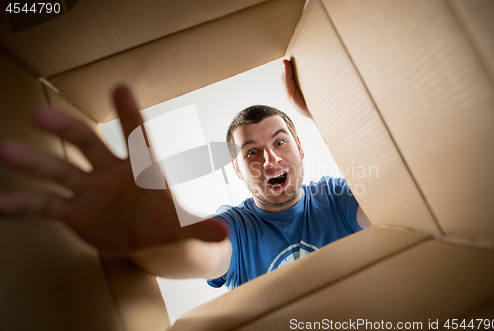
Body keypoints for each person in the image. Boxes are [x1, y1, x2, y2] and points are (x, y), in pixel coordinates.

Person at [0, 59, 370, 289]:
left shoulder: (336, 198)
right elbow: (195, 256)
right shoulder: (235, 228)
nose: (270, 160)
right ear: (237, 171)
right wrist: (145, 239)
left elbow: (407, 195)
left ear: (301, 148)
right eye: (251, 152)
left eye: (280, 142)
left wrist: (327, 112)